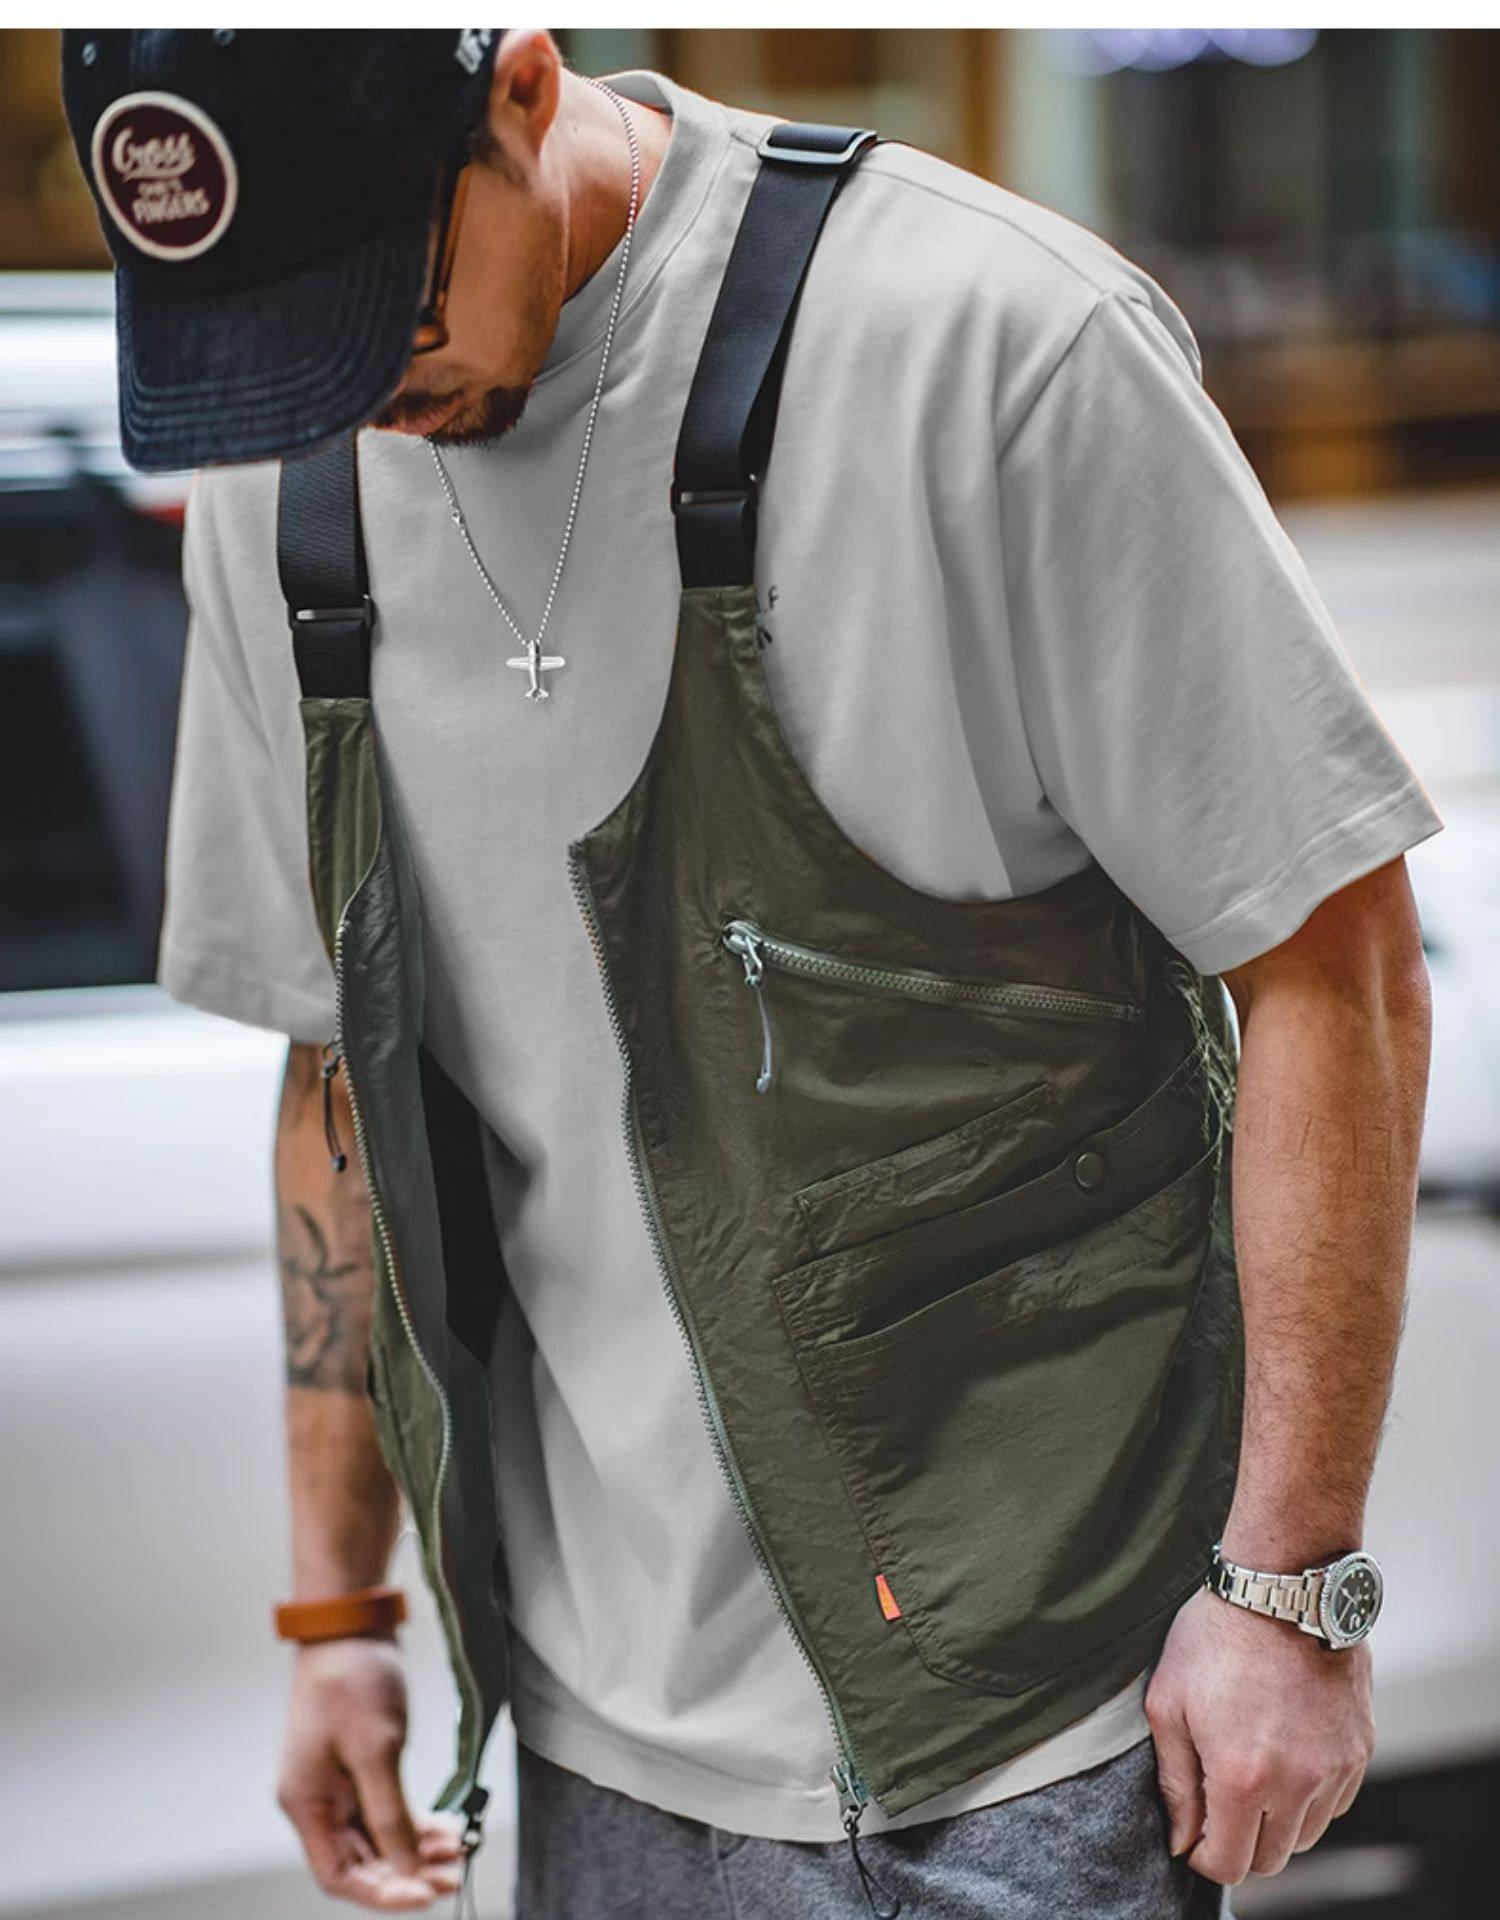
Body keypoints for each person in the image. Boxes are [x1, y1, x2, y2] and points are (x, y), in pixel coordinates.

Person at [62, 26, 1440, 1920]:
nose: (352, 388)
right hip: (594, 1731)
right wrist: (338, 1612)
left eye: (381, 304)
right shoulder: (289, 481)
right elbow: (337, 1081)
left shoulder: (985, 348)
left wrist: (1290, 1588)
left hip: (1031, 1718)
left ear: (521, 90)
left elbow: (1334, 967)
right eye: (273, 339)